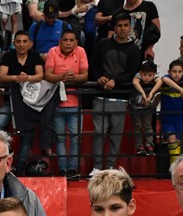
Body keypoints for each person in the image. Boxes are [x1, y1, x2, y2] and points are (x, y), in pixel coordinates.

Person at [87, 11, 140, 176]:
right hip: (100, 96)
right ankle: (96, 167)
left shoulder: (134, 49)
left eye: (125, 25)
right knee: (99, 133)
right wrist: (99, 78)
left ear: (129, 27)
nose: (123, 29)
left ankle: (110, 167)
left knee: (116, 136)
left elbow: (132, 72)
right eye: (119, 26)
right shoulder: (103, 44)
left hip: (121, 98)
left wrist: (115, 80)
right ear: (114, 27)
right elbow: (93, 66)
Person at [0, 30, 50, 175]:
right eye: (18, 41)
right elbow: (1, 77)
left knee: (27, 141)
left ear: (30, 43)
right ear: (14, 43)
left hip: (30, 105)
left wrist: (28, 78)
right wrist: (15, 78)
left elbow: (40, 75)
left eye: (25, 41)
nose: (21, 44)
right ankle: (8, 147)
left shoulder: (34, 56)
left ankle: (18, 170)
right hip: (11, 102)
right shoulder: (8, 56)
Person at [44, 26, 88, 179]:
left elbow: (85, 75)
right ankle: (63, 170)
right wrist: (63, 76)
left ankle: (73, 170)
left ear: (76, 42)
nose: (68, 43)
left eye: (71, 40)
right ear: (60, 41)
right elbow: (48, 75)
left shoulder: (81, 51)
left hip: (75, 103)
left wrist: (72, 78)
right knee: (61, 139)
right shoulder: (52, 52)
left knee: (76, 138)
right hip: (56, 104)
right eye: (65, 40)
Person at [158, 58, 183, 165]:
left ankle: (174, 169)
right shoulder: (166, 80)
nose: (177, 74)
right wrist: (180, 89)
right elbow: (164, 79)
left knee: (177, 145)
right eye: (174, 72)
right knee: (173, 146)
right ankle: (174, 171)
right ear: (169, 72)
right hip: (167, 119)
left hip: (179, 119)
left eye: (179, 72)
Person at [129, 59, 159, 155]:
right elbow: (135, 82)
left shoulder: (155, 77)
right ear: (140, 73)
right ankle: (139, 146)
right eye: (144, 75)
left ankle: (149, 145)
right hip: (135, 107)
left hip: (147, 107)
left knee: (147, 125)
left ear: (154, 74)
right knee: (137, 126)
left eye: (150, 75)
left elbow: (160, 82)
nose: (146, 78)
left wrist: (151, 93)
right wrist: (142, 92)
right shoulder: (138, 76)